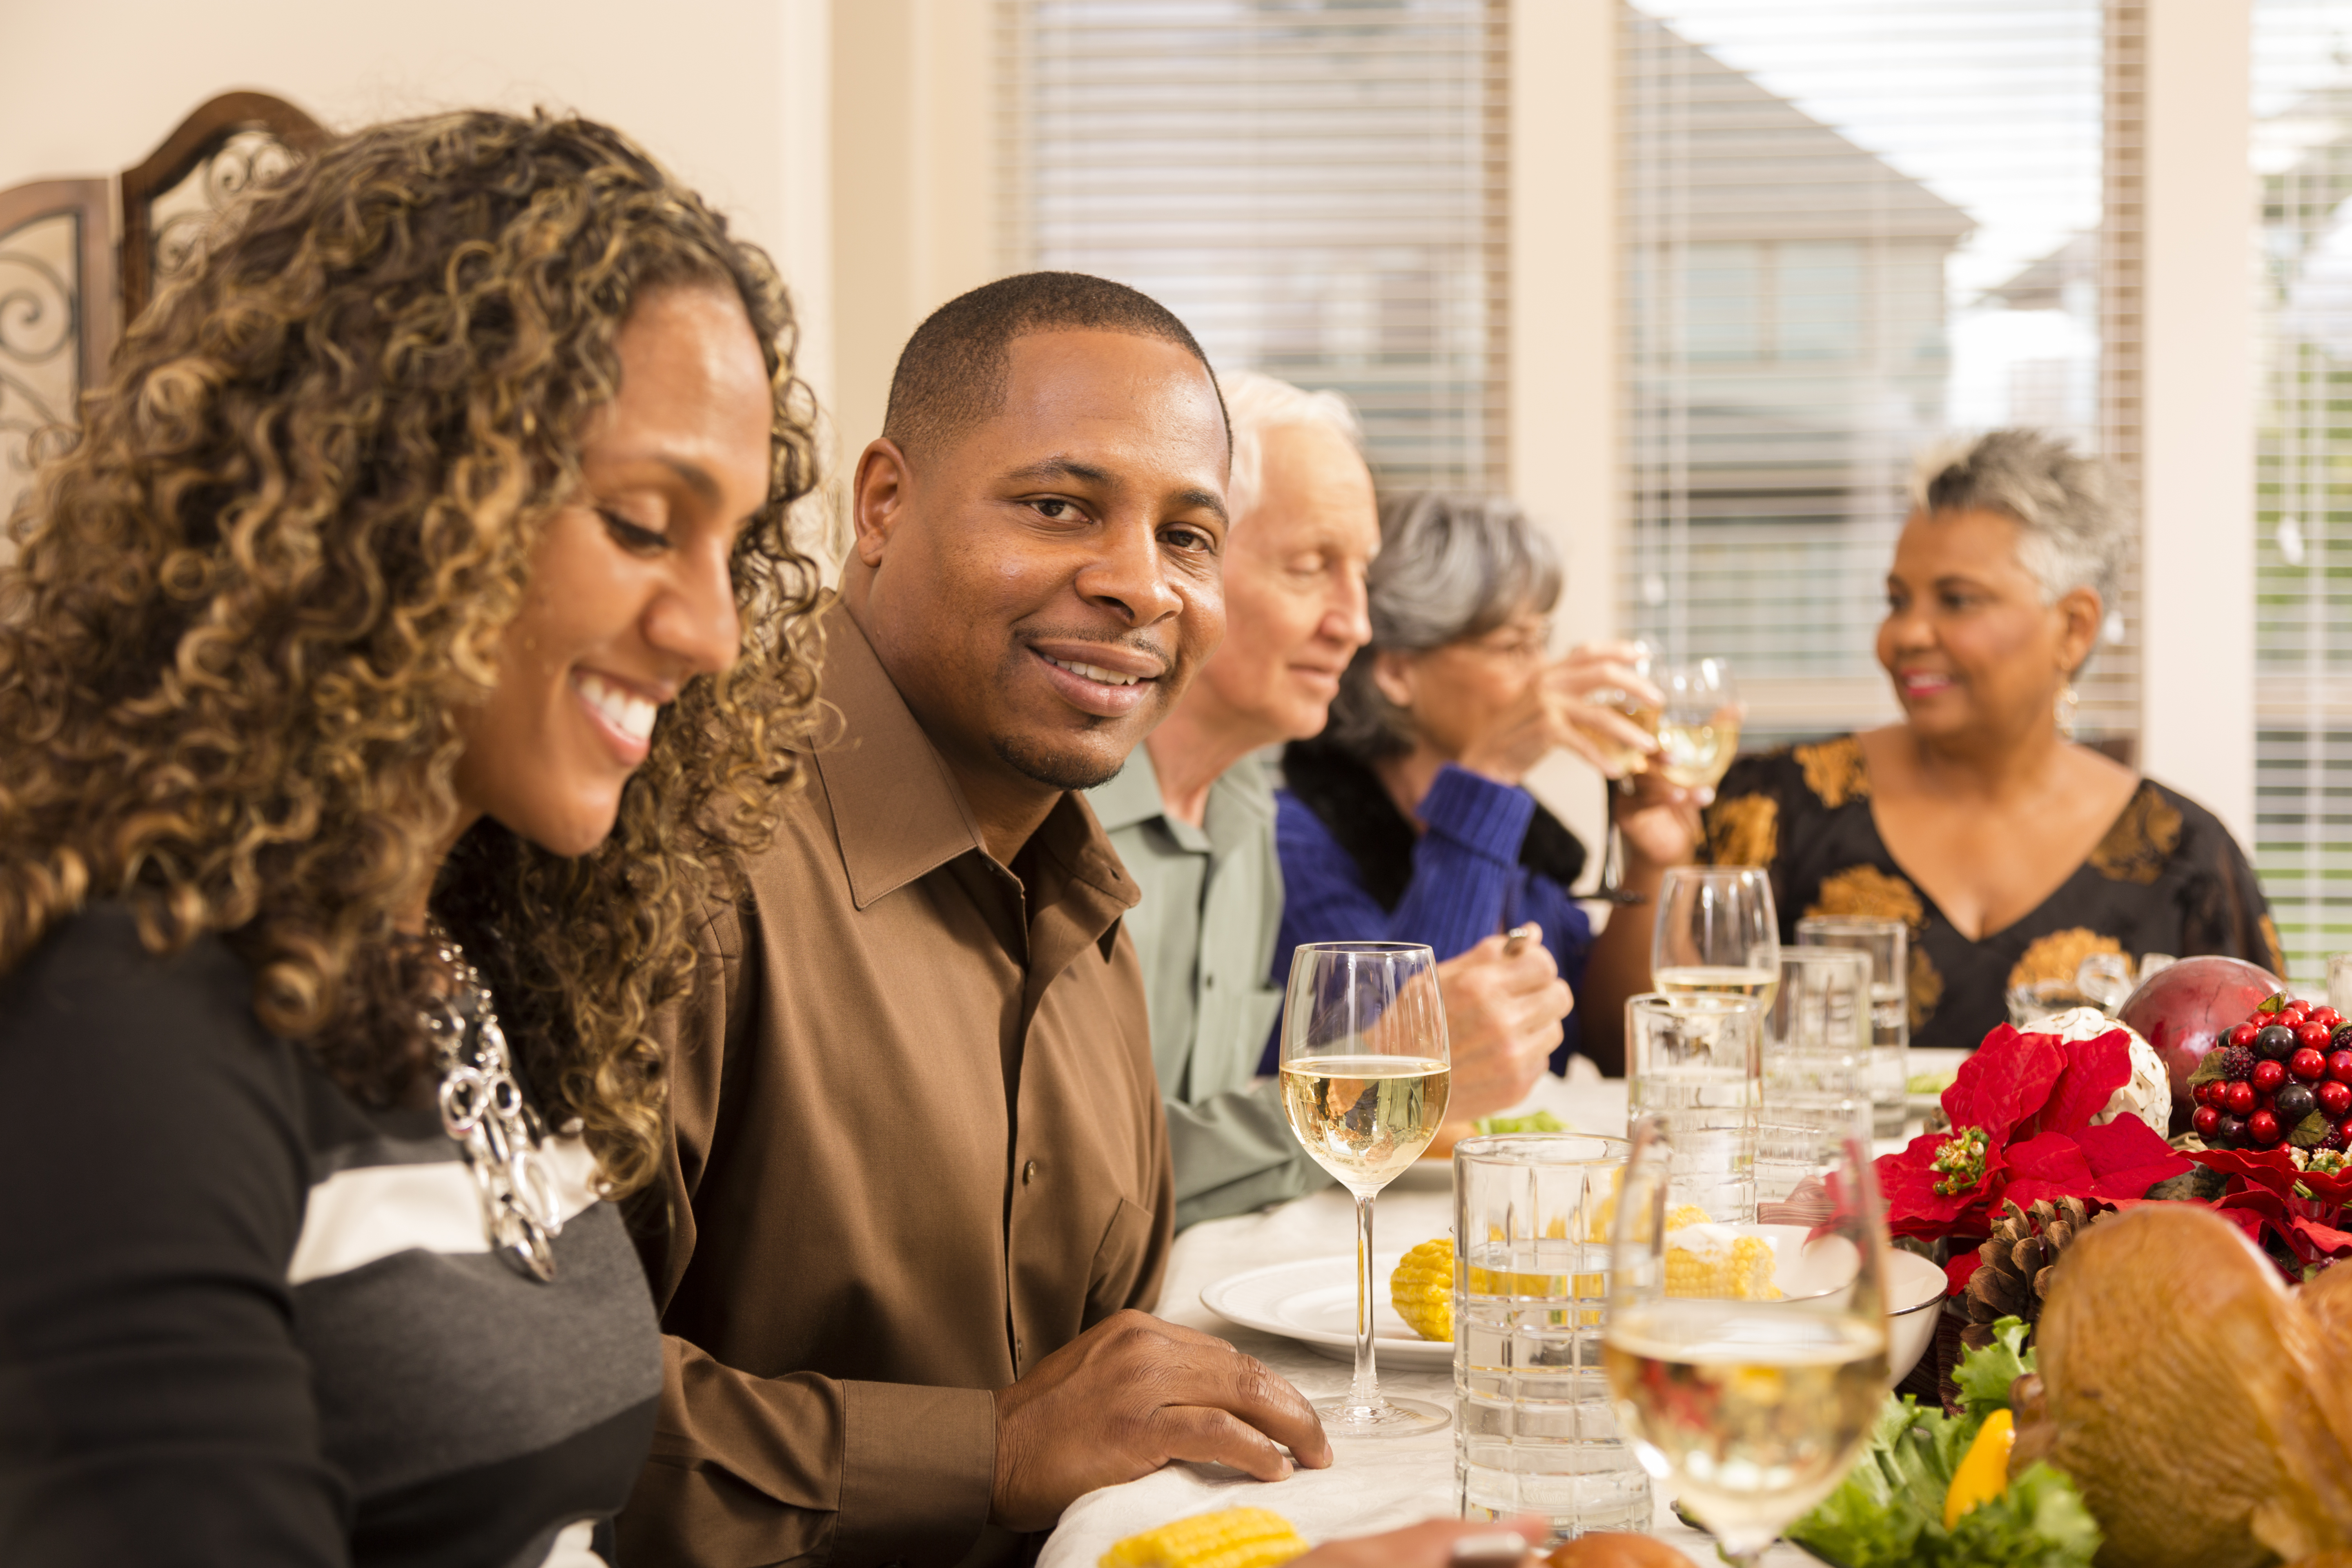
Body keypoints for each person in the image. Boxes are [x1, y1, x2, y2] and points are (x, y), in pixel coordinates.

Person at [0, 111, 826, 1567]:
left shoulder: (460, 954)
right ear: (385, 500)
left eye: (733, 548)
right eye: (642, 523)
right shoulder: (126, 1015)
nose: (709, 633)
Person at [619, 274, 1330, 1566]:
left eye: (1188, 537)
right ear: (882, 503)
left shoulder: (1086, 897)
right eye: (1060, 507)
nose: (1139, 586)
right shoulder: (677, 849)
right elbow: (526, 1419)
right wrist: (988, 1452)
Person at [1087, 373, 1574, 1227]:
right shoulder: (1059, 820)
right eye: (1313, 567)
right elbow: (1074, 1192)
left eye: (1363, 576)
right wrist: (1379, 1070)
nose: (1355, 622)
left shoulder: (1250, 804)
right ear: (1188, 560)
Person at [1701, 428, 2280, 1049]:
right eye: (1897, 601)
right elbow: (1628, 1044)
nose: (1906, 635)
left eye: (1957, 601)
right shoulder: (1778, 803)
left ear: (2074, 628)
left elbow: (2261, 1097)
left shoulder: (2186, 856)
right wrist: (1650, 850)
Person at [1276, 491, 1701, 1077]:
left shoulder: (1522, 847)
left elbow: (1616, 1047)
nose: (1542, 677)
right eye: (1512, 647)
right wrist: (1487, 777)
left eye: (1542, 643)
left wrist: (1651, 866)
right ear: (1398, 671)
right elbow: (1402, 1084)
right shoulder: (1295, 842)